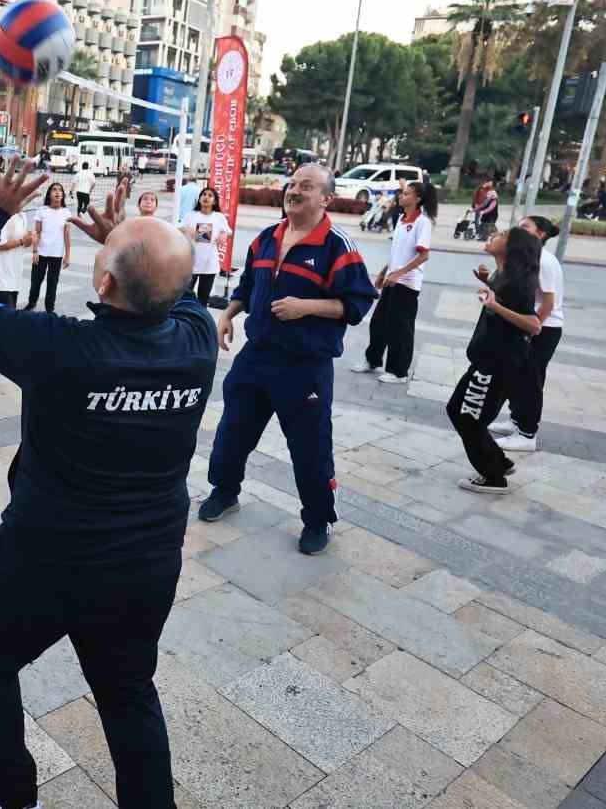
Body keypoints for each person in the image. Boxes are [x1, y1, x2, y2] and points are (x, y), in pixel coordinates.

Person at [0, 165, 215, 809]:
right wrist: (123, 242)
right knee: (127, 691)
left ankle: (11, 797)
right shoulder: (199, 344)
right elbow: (172, 291)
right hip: (145, 561)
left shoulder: (59, 349)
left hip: (44, 558)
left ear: (104, 281)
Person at [200, 164, 377, 555]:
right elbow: (248, 285)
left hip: (304, 366)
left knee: (310, 447)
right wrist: (228, 314)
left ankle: (317, 520)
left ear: (326, 198)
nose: (294, 191)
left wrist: (306, 307)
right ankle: (224, 490)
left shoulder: (337, 245)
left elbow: (357, 303)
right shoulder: (266, 238)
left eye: (306, 186)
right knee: (233, 430)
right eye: (293, 184)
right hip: (256, 357)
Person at [447, 227, 543, 495]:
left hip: (496, 365)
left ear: (510, 248)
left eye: (501, 235)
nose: (493, 236)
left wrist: (495, 306)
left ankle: (493, 477)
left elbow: (534, 325)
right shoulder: (504, 276)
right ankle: (498, 461)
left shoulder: (517, 284)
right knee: (456, 409)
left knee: (469, 419)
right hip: (485, 361)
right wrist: (489, 283)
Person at [490, 215, 563, 453]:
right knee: (518, 377)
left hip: (545, 328)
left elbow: (548, 302)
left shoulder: (544, 260)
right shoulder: (528, 257)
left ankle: (527, 433)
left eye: (525, 227)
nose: (517, 230)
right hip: (533, 327)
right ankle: (516, 421)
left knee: (530, 381)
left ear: (540, 234)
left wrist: (532, 329)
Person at [354, 180, 437, 383]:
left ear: (417, 199)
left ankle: (398, 372)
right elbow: (397, 252)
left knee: (400, 329)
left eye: (407, 194)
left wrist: (398, 274)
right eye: (402, 193)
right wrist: (384, 272)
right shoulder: (401, 219)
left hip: (407, 284)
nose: (401, 196)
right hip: (392, 280)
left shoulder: (422, 222)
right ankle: (372, 360)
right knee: (378, 323)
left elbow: (423, 255)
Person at [24, 183, 72, 313]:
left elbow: (67, 235)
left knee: (52, 284)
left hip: (57, 255)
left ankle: (50, 310)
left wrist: (67, 255)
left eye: (60, 190)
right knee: (36, 281)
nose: (57, 192)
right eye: (54, 190)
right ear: (49, 194)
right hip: (41, 253)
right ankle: (31, 303)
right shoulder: (42, 210)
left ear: (63, 195)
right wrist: (34, 251)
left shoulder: (66, 212)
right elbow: (37, 232)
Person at [179, 185, 230, 305]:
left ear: (215, 201)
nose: (206, 197)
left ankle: (200, 321)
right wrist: (185, 230)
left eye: (210, 195)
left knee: (203, 298)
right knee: (184, 296)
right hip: (190, 262)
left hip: (209, 264)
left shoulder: (219, 217)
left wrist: (224, 234)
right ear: (199, 198)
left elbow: (228, 232)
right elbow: (179, 229)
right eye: (204, 194)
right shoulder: (191, 215)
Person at [0, 204, 33, 307]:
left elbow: (23, 242)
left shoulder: (22, 215)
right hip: (0, 279)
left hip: (15, 276)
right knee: (4, 316)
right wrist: (22, 241)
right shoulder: (2, 216)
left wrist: (29, 239)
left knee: (10, 313)